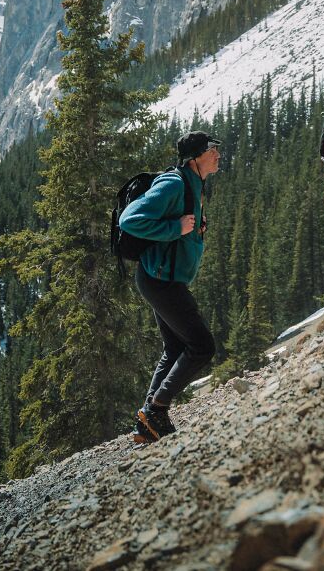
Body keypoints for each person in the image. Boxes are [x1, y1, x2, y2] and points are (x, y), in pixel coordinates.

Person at [119, 130, 221, 442]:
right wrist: (173, 228)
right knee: (202, 346)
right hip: (159, 280)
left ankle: (146, 424)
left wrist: (191, 229)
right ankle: (156, 409)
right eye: (212, 149)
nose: (217, 154)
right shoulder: (173, 182)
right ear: (195, 157)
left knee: (176, 347)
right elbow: (129, 219)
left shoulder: (194, 183)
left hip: (164, 278)